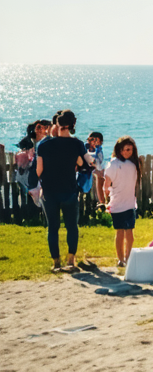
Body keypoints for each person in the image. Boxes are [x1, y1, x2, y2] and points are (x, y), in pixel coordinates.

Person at [36, 110, 93, 272]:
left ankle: (56, 263)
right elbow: (86, 162)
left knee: (53, 228)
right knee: (71, 227)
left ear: (57, 124)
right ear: (72, 125)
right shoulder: (77, 144)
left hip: (50, 192)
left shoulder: (44, 145)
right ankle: (71, 260)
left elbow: (39, 170)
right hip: (69, 191)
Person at [103, 136, 141, 268]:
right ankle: (121, 259)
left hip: (130, 202)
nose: (127, 153)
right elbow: (106, 184)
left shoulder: (133, 165)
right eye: (125, 150)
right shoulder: (113, 164)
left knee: (129, 231)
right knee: (120, 231)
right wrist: (106, 198)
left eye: (130, 150)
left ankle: (128, 257)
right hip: (117, 203)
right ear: (119, 150)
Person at [84, 132, 107, 203]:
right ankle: (101, 201)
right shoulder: (85, 150)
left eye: (96, 140)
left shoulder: (100, 151)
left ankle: (102, 201)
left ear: (101, 142)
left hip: (97, 171)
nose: (94, 142)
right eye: (92, 140)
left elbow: (100, 163)